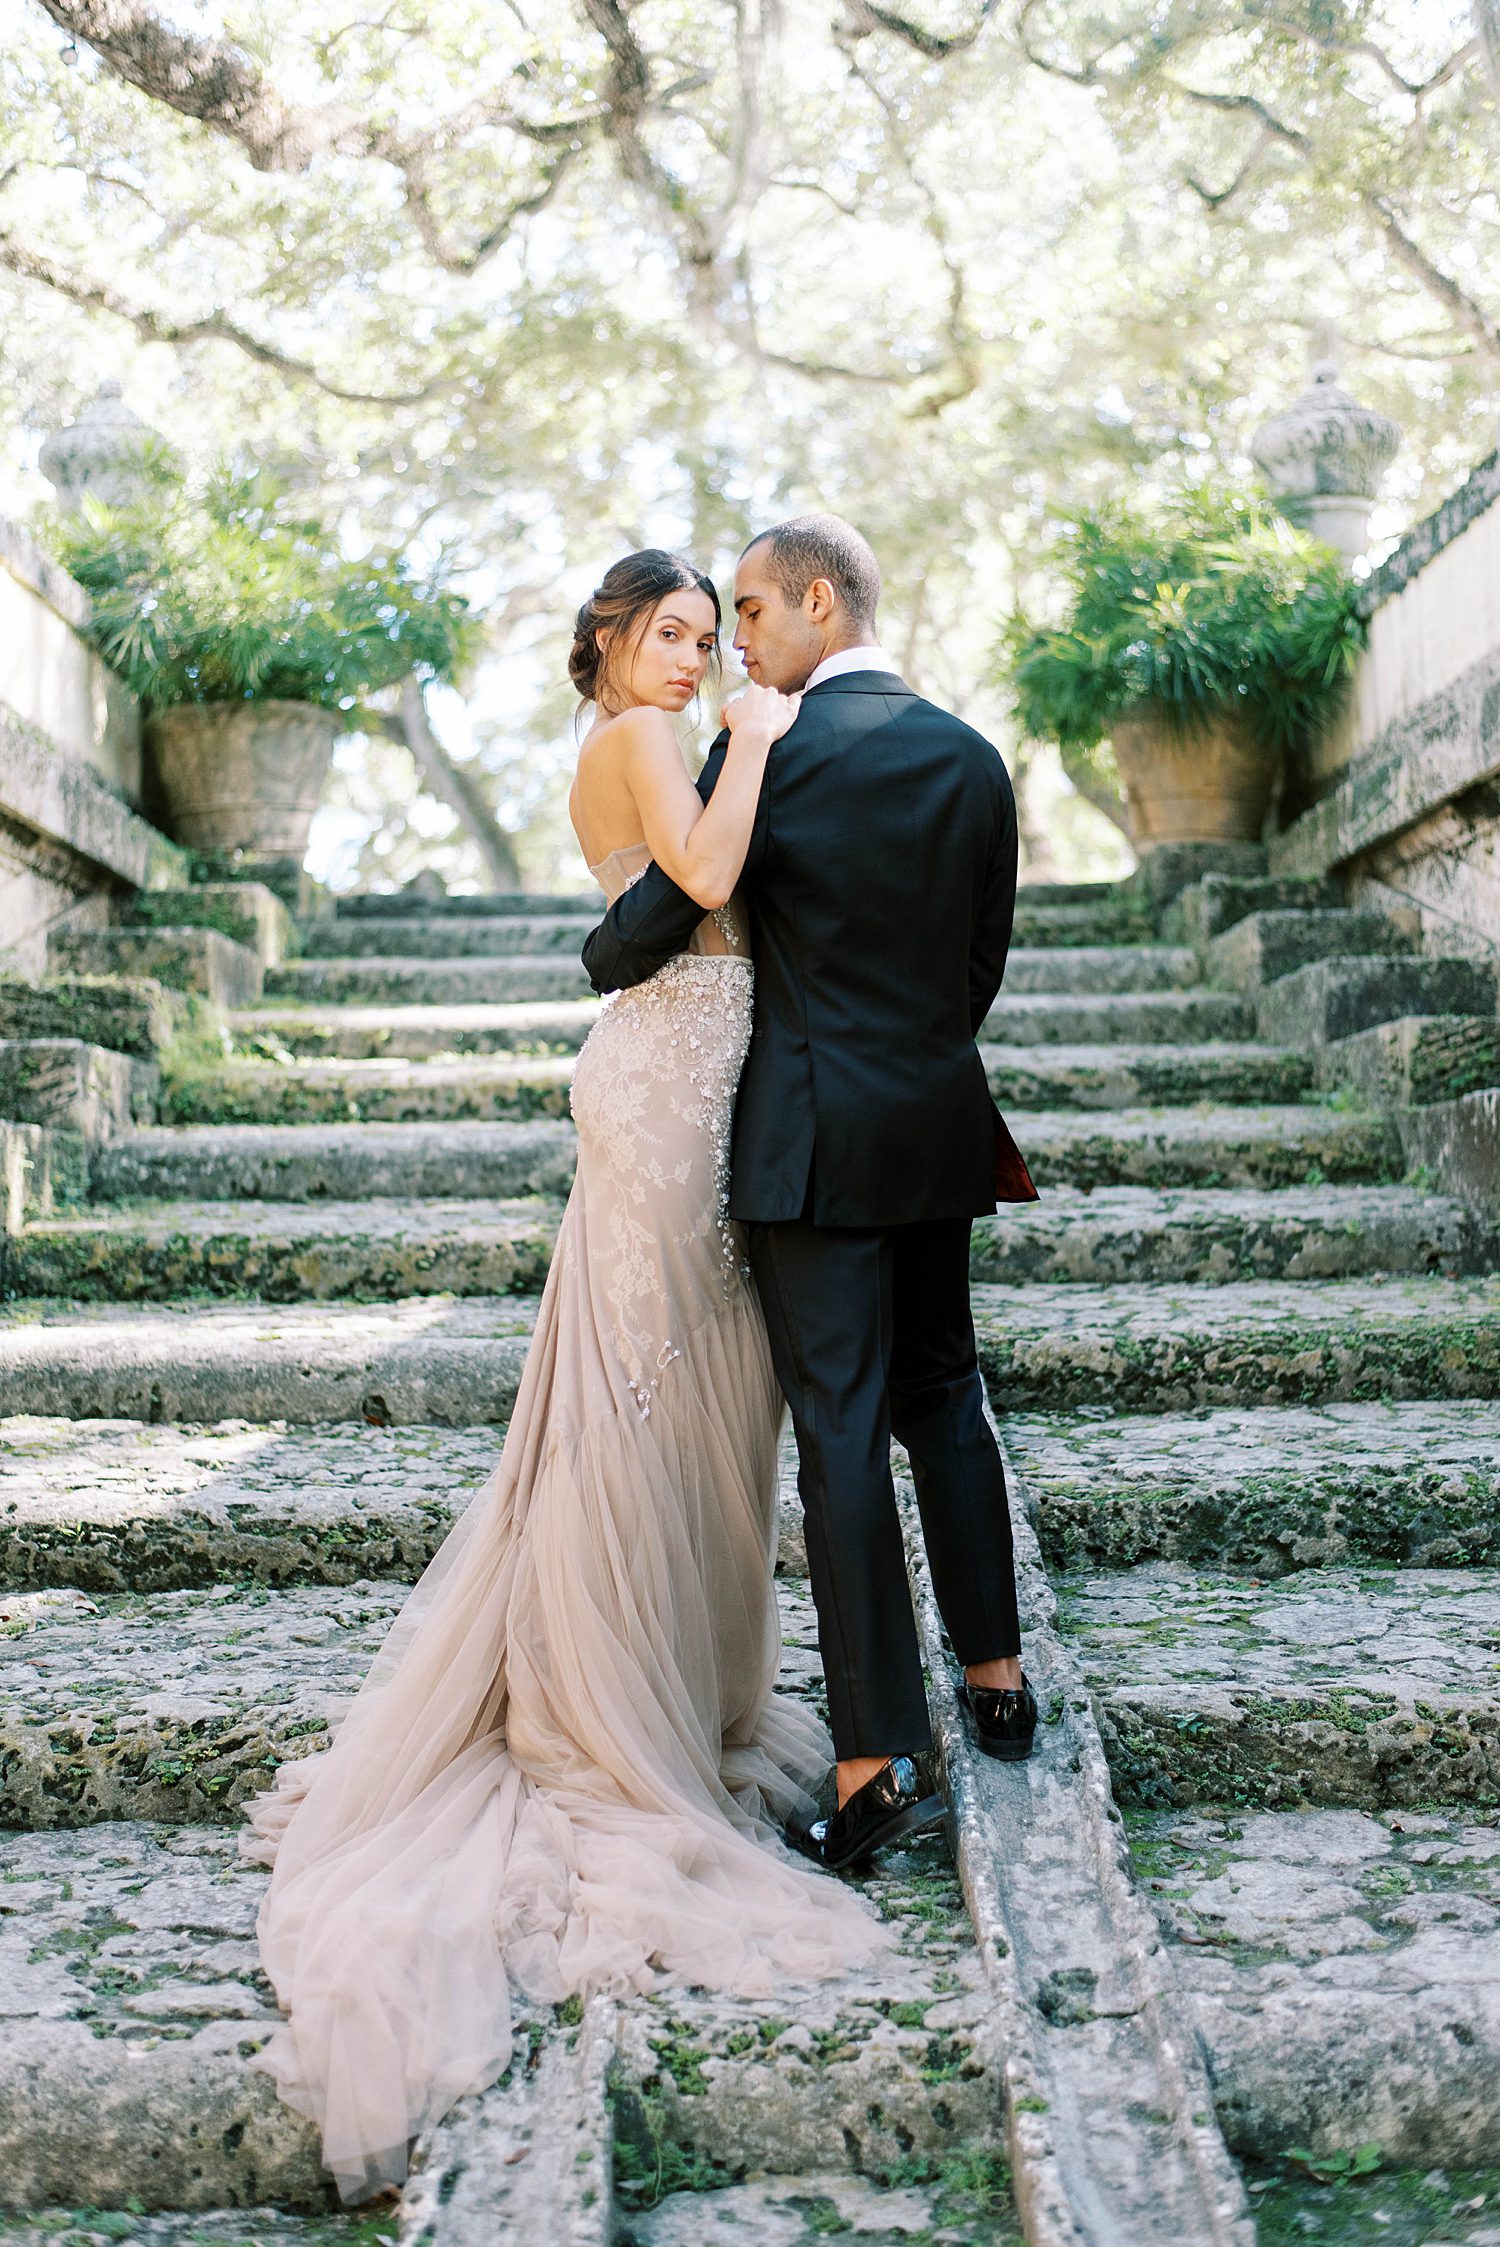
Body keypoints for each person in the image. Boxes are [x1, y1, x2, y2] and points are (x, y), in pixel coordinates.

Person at [242, 548, 887, 2207]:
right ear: (612, 637)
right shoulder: (664, 741)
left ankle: (666, 1679)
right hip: (671, 1088)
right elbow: (703, 867)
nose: (692, 657)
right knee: (650, 1391)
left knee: (691, 1396)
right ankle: (616, 1714)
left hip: (692, 1068)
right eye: (670, 635)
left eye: (705, 638)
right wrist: (753, 735)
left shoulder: (636, 728)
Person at [581, 514, 1040, 1877]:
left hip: (808, 1146)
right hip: (937, 1125)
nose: (742, 650)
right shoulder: (972, 757)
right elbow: (978, 965)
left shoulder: (764, 752)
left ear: (822, 605)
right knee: (945, 1400)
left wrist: (602, 939)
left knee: (841, 1430)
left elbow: (658, 924)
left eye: (756, 618)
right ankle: (999, 1678)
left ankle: (871, 1760)